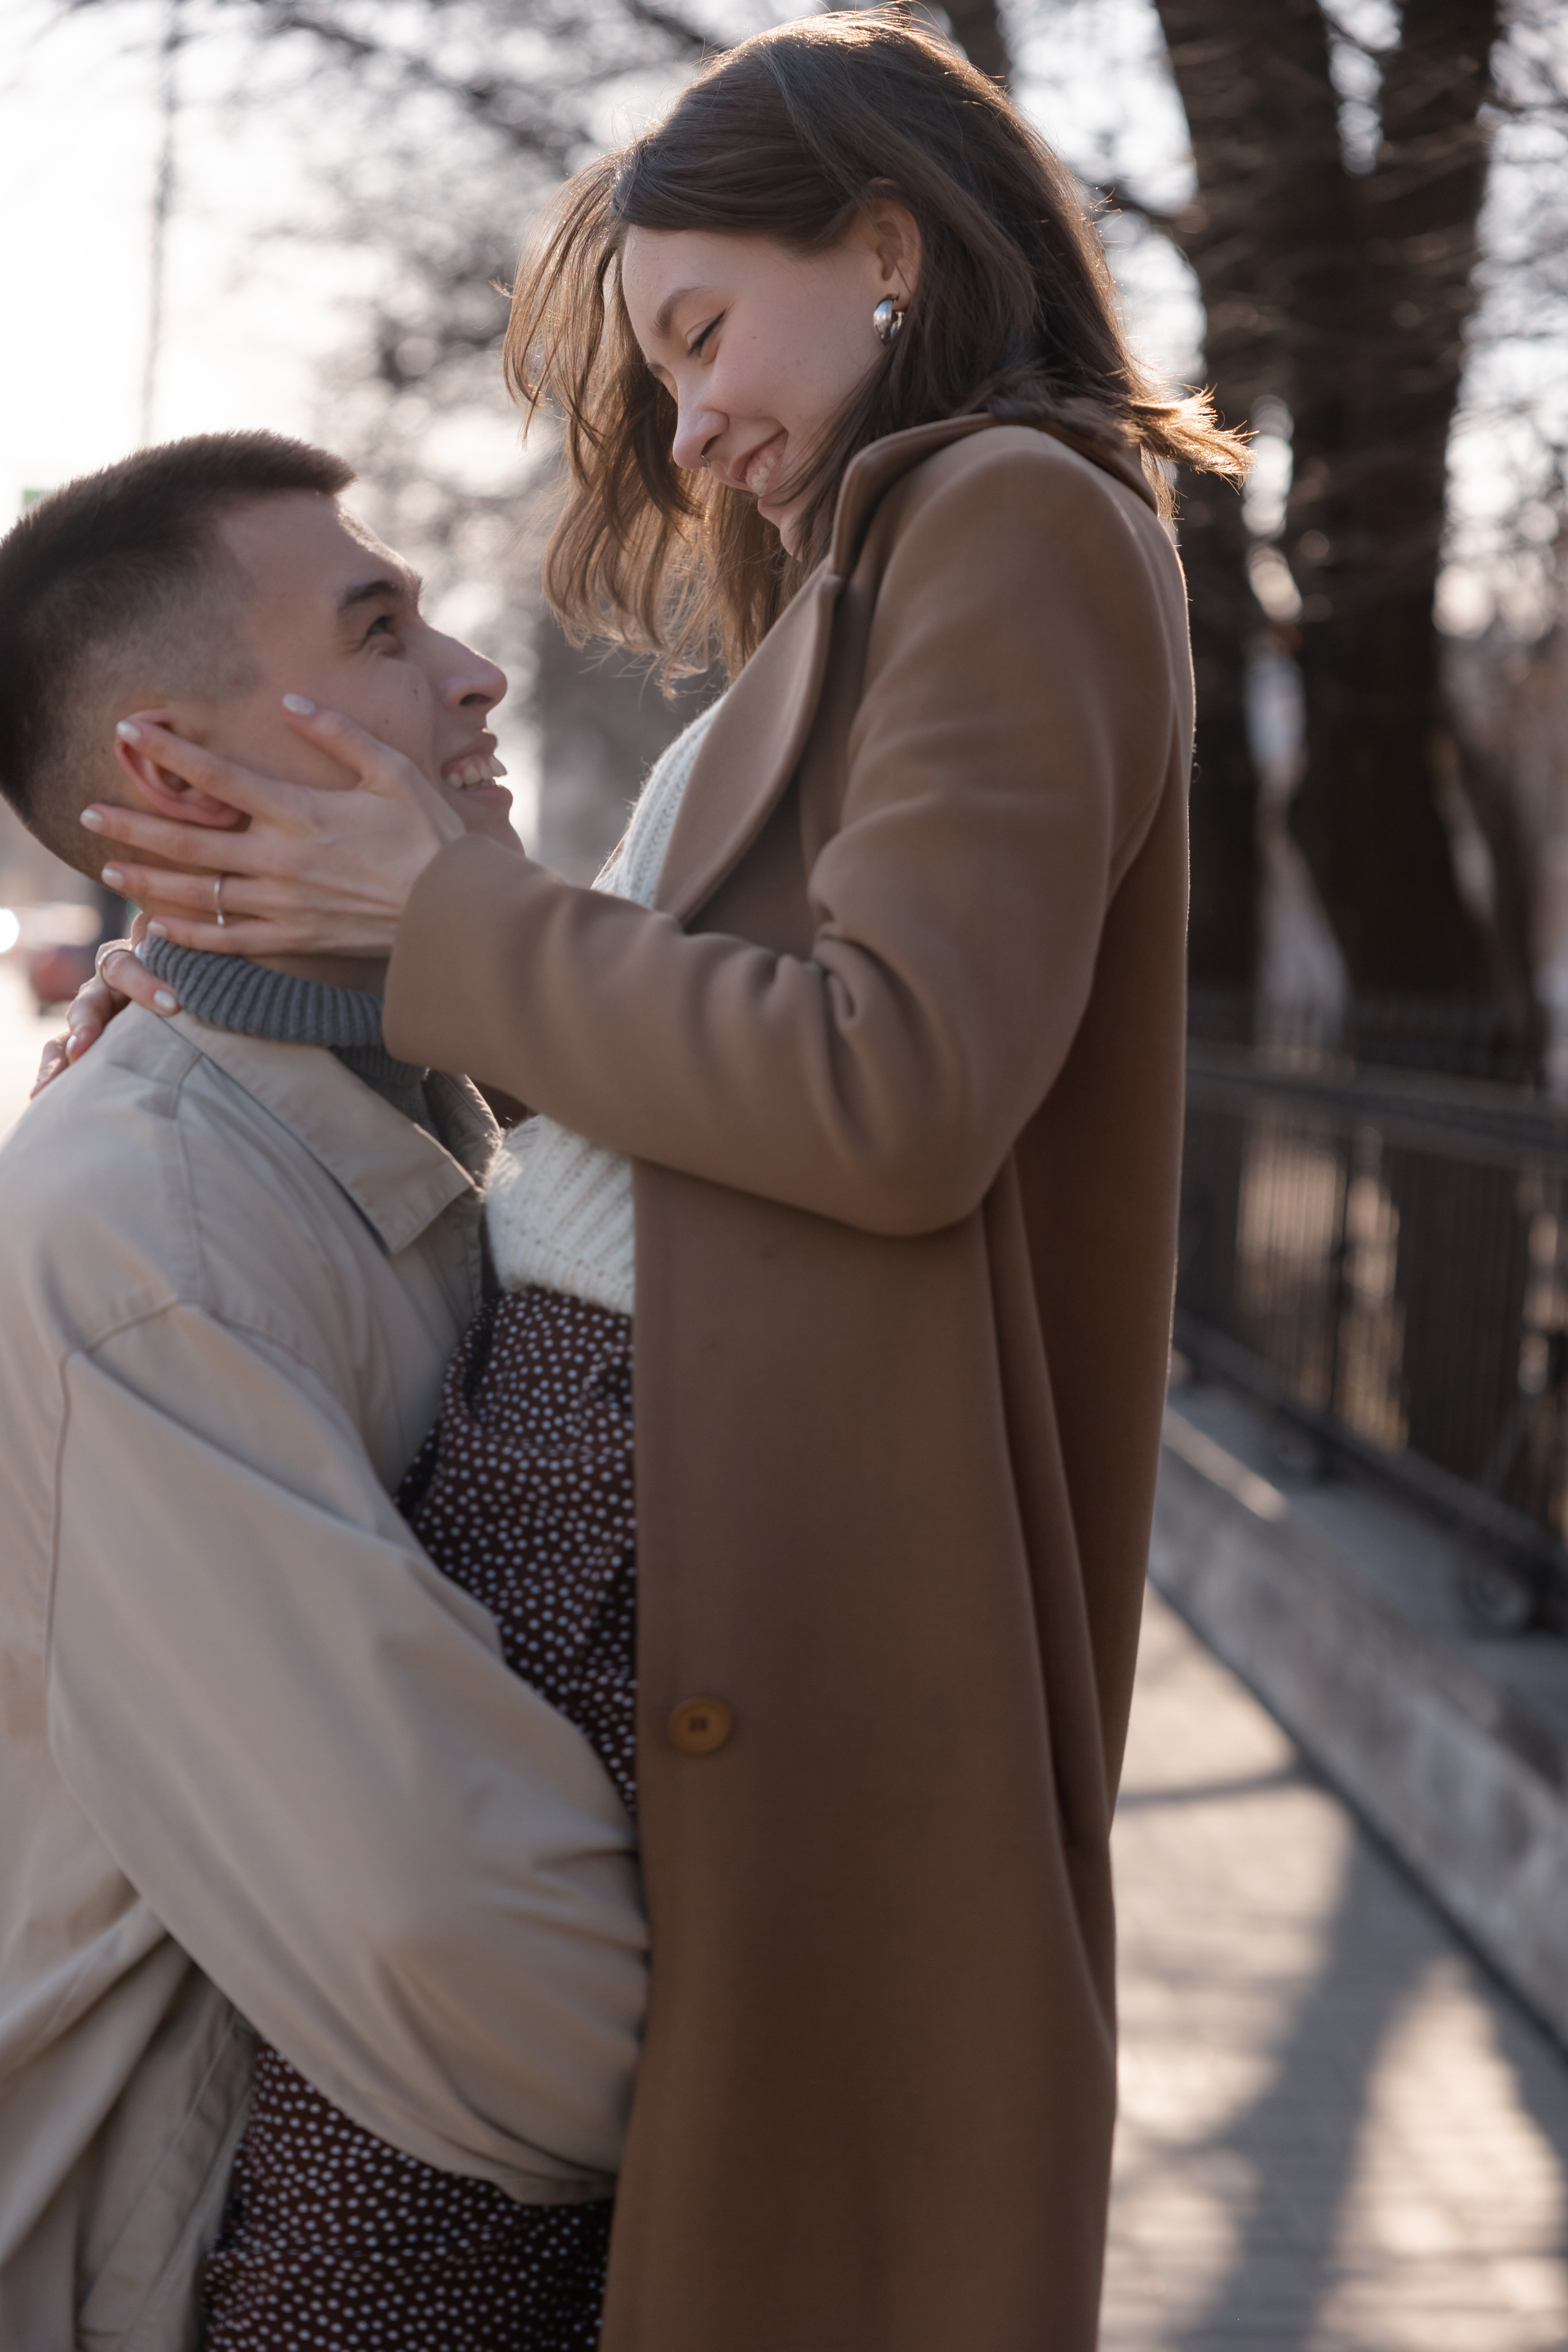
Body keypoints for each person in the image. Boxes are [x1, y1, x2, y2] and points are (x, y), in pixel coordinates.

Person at [67, 13, 1253, 2348]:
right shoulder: (902, 568)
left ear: (890, 245)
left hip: (662, 1521)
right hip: (629, 1501)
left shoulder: (1011, 517)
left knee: (359, 2267)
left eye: (706, 332)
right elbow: (661, 1128)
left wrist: (437, 923)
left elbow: (892, 1088)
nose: (688, 419)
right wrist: (255, 991)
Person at [0, 432, 650, 2352]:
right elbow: (448, 1940)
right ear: (174, 776)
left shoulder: (412, 1113)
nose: (473, 674)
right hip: (196, 2261)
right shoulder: (147, 1239)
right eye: (383, 629)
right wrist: (791, 2106)